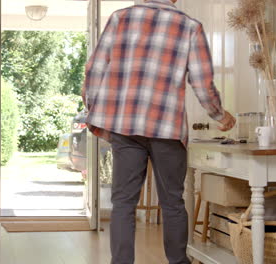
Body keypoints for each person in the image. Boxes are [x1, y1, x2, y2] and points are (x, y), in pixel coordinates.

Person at [82, 1, 236, 263]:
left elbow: (95, 69)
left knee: (123, 203)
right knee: (173, 202)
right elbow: (201, 81)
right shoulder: (189, 27)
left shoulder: (120, 18)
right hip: (166, 127)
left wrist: (94, 107)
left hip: (125, 125)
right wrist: (220, 114)